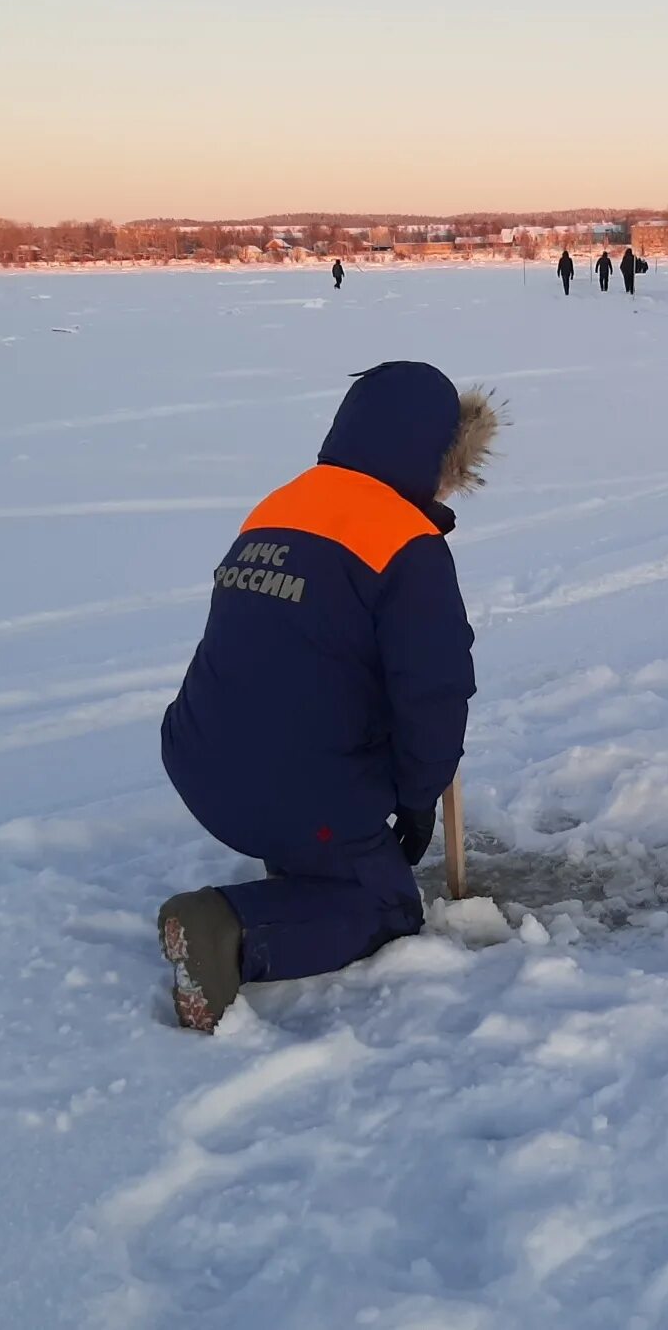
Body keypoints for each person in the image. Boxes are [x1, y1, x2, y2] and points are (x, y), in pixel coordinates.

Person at [156, 362, 500, 1030]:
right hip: (289, 788)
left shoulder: (282, 504)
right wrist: (415, 796)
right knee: (388, 906)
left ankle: (302, 851)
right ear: (438, 453)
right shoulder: (407, 543)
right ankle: (228, 930)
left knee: (318, 800)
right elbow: (434, 692)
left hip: (196, 760)